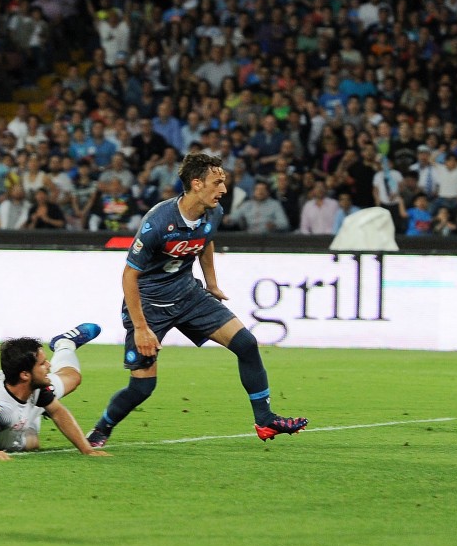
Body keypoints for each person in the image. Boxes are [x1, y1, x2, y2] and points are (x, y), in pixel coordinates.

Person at [85, 152, 307, 449]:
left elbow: (206, 241)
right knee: (142, 387)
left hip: (189, 295)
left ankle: (264, 419)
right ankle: (102, 429)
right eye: (218, 182)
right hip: (150, 306)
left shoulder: (212, 212)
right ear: (197, 184)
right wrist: (140, 327)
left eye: (224, 182)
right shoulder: (158, 221)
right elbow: (129, 276)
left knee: (246, 344)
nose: (224, 189)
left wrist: (212, 283)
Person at [0, 324, 110, 460]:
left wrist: (86, 449)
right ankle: (38, 409)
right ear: (25, 374)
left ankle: (65, 343)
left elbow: (58, 411)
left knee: (73, 378)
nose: (49, 365)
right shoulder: (2, 411)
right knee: (31, 442)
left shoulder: (33, 384)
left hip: (23, 391)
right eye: (43, 363)